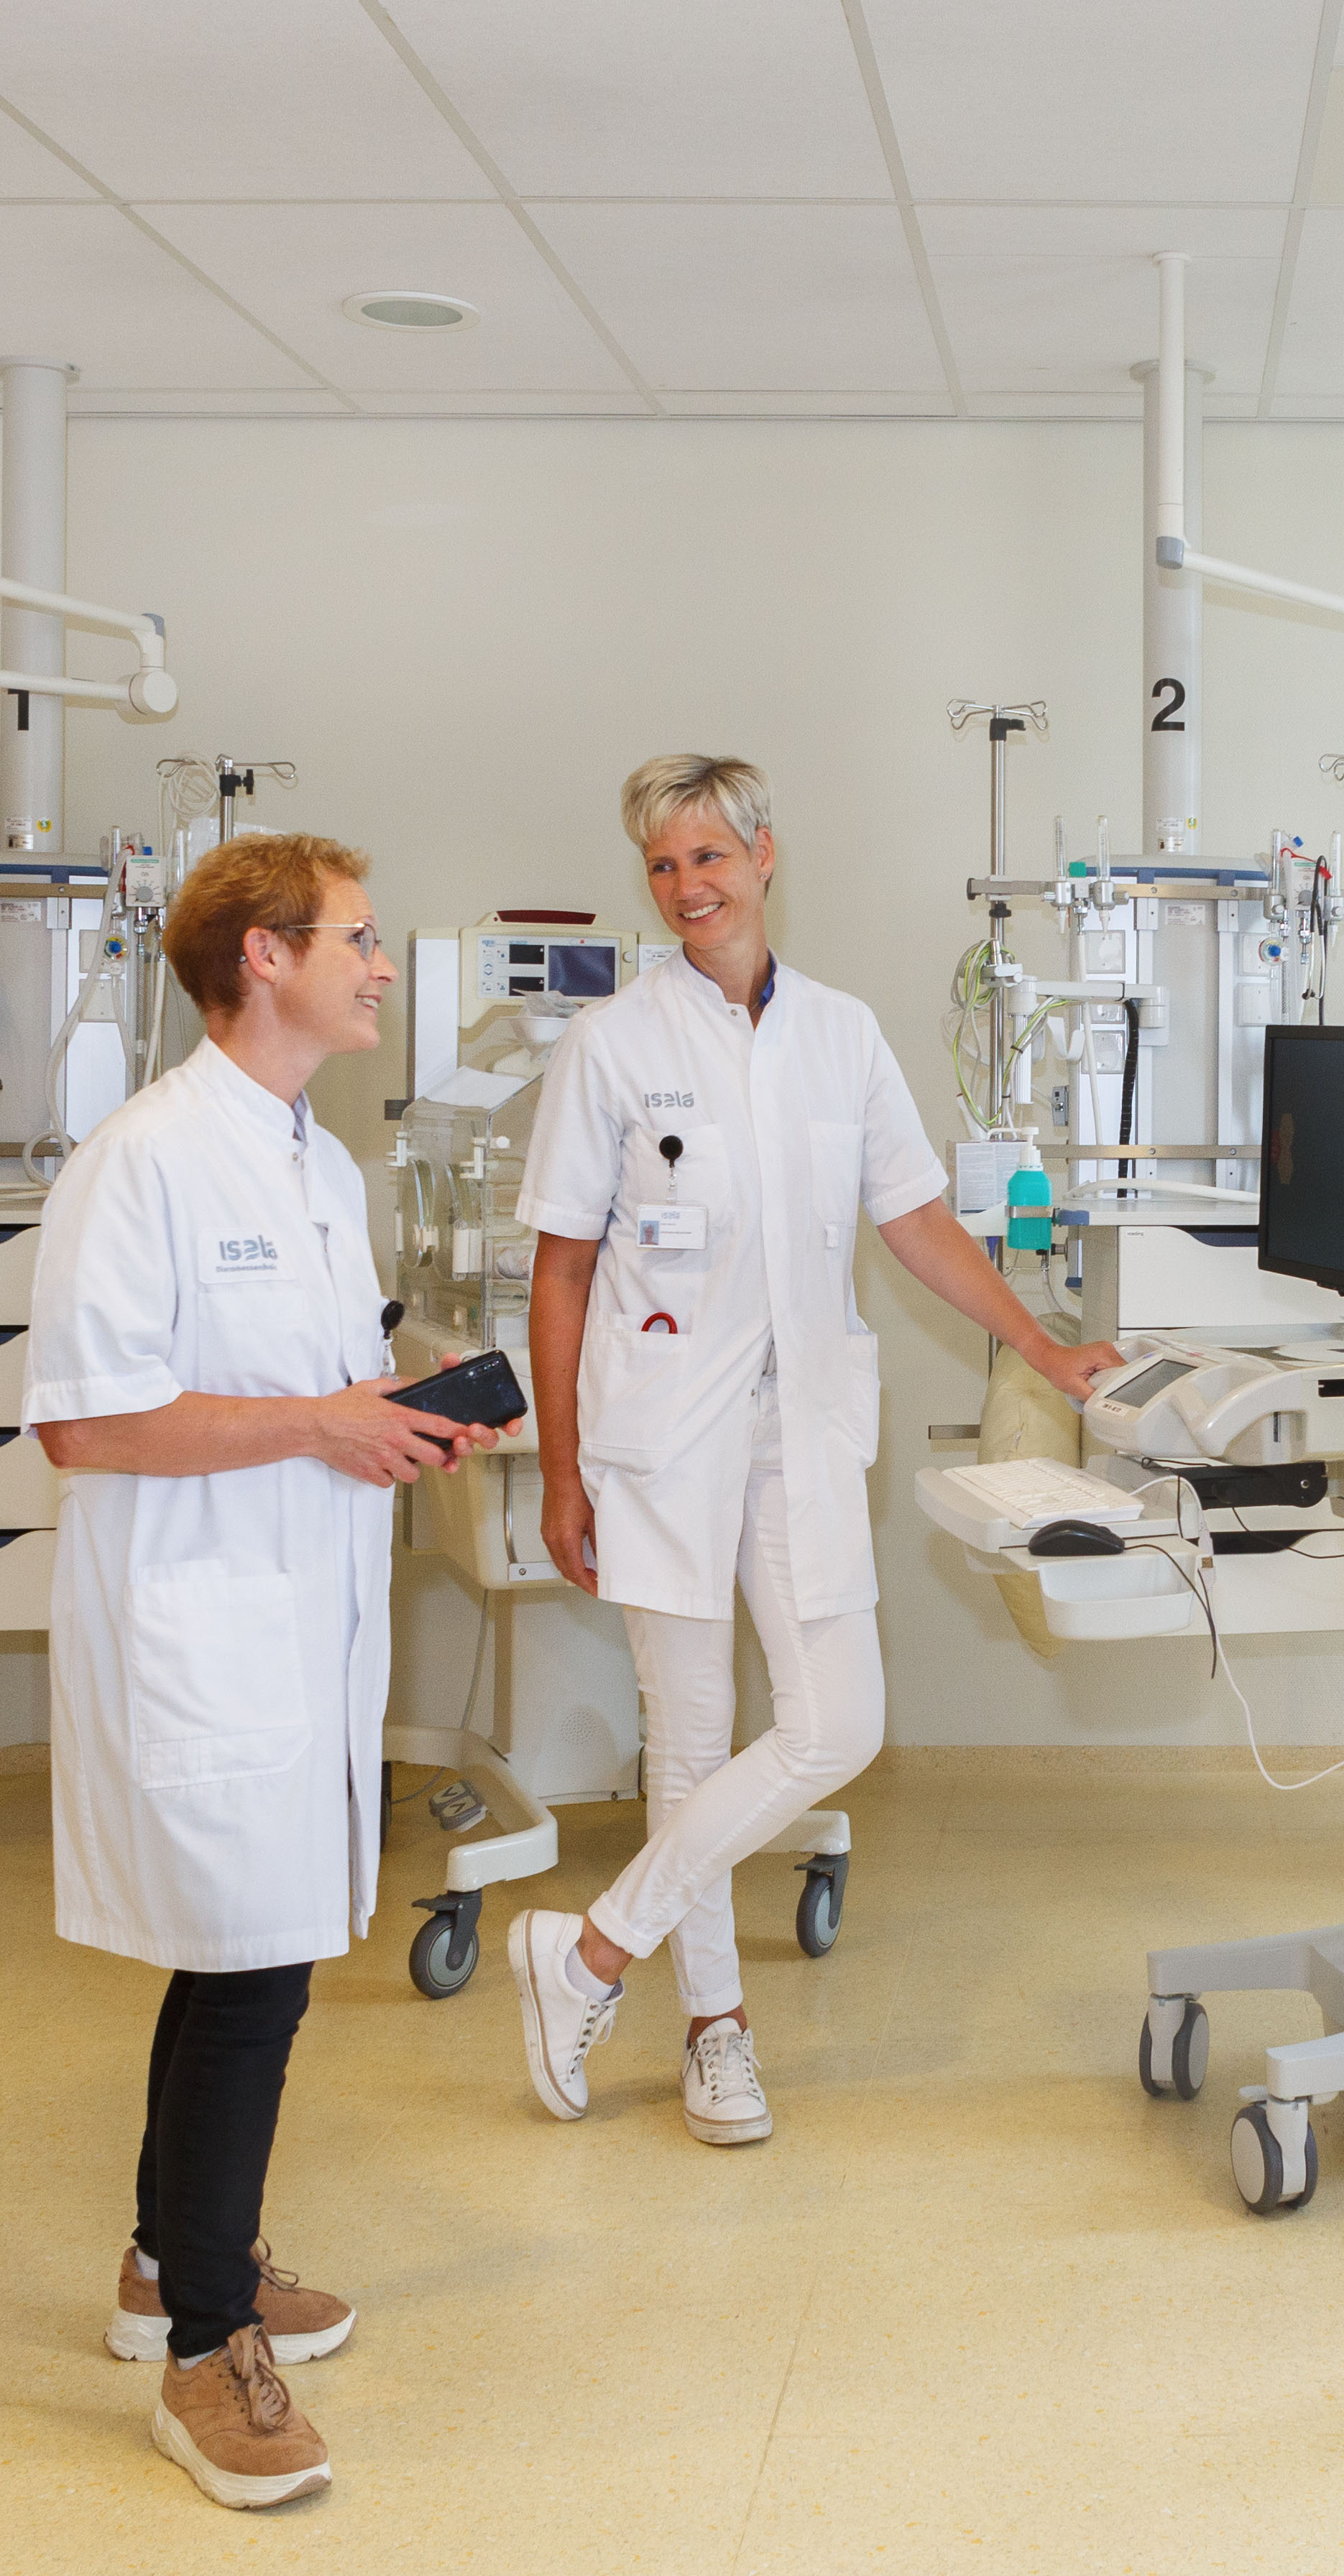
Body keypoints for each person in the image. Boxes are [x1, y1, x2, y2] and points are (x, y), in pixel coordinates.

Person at [507, 755, 1118, 2141]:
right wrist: (558, 1469)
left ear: (766, 856)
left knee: (837, 1722)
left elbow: (914, 1223)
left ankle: (591, 1950)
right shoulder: (611, 1048)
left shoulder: (841, 1036)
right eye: (664, 866)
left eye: (711, 856)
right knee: (694, 1738)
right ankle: (716, 2030)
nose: (688, 887)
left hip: (803, 1424)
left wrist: (1042, 1348)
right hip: (657, 1434)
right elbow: (558, 1272)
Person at [25, 831, 499, 2509]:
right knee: (246, 1977)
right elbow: (86, 1418)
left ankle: (173, 2262)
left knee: (257, 1957)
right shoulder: (144, 1159)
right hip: (200, 1622)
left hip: (305, 1612)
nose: (381, 966)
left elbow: (320, 1381)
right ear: (263, 960)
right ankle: (203, 2354)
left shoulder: (316, 1163)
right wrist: (323, 1422)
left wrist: (391, 1416)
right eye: (359, 940)